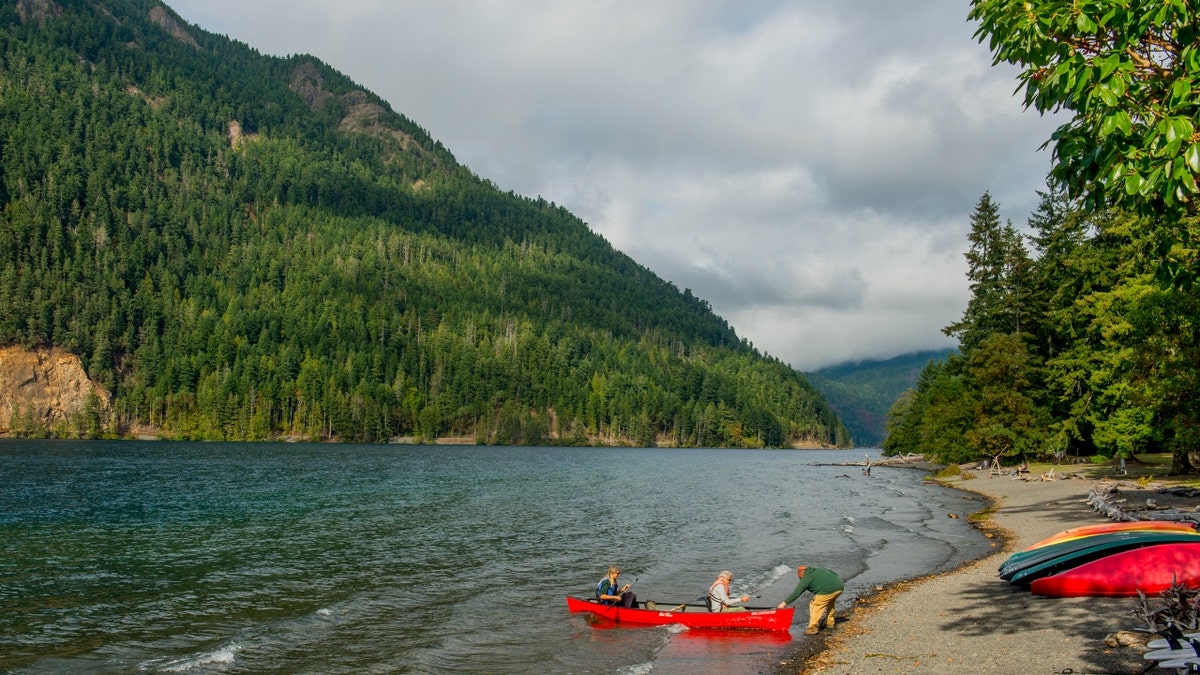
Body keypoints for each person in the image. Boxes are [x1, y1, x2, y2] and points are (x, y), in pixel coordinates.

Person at [777, 565, 843, 635]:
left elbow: (796, 593)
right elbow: (834, 574)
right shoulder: (819, 569)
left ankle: (813, 628)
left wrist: (783, 604)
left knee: (814, 605)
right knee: (830, 603)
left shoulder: (806, 578)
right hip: (839, 587)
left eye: (799, 577)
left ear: (800, 574)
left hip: (827, 591)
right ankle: (829, 623)